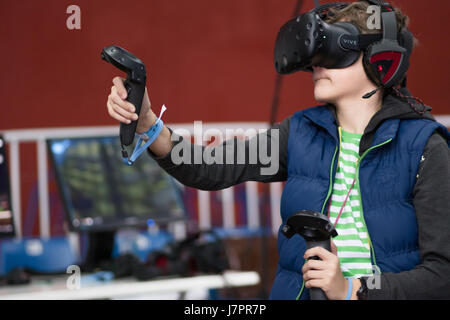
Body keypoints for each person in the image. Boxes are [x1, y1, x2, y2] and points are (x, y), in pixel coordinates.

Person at [106, 1, 450, 299]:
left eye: (333, 51)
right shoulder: (300, 133)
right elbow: (207, 166)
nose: (317, 63)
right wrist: (148, 121)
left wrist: (352, 291)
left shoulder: (424, 148)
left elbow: (442, 275)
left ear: (381, 60)